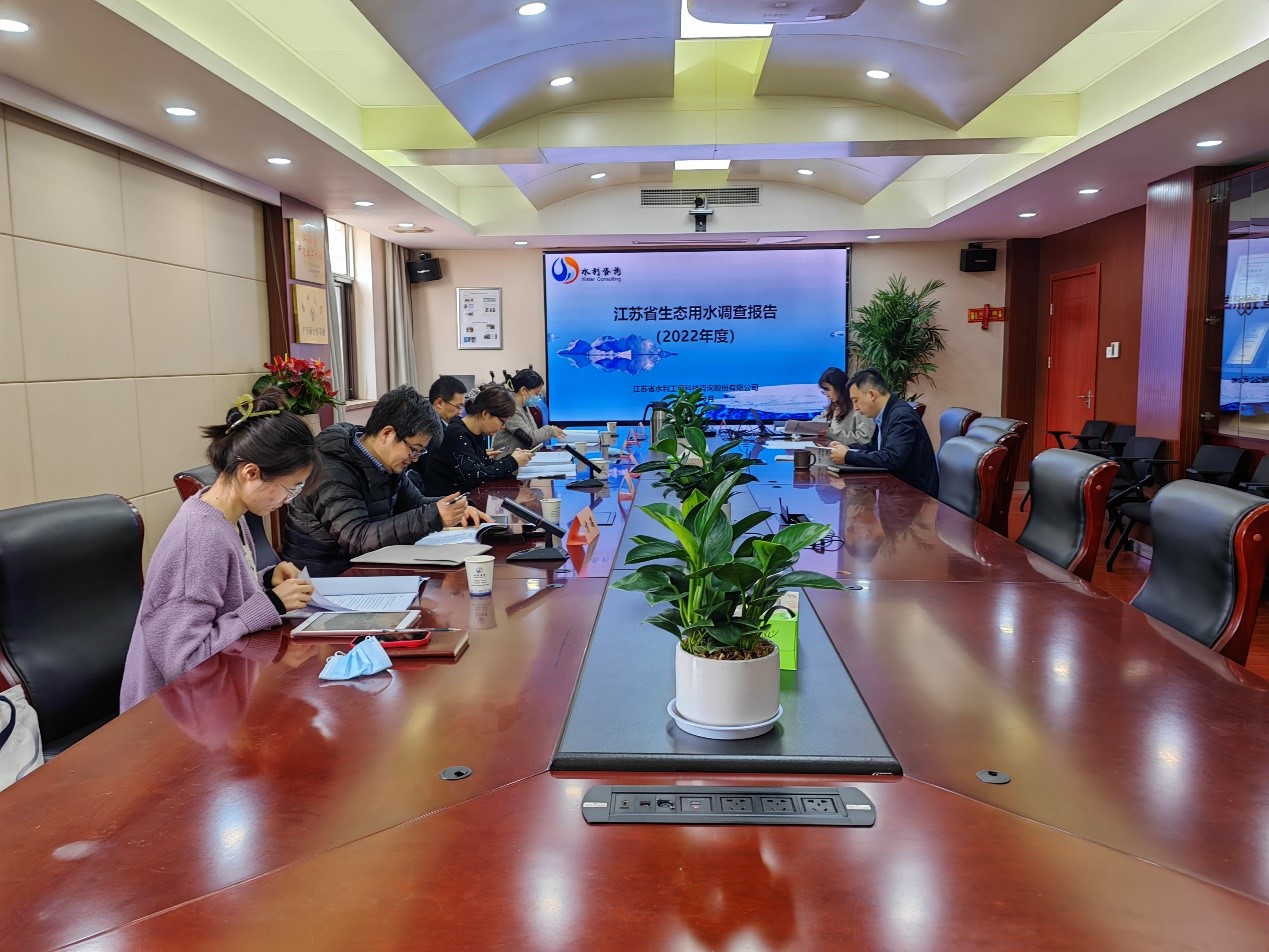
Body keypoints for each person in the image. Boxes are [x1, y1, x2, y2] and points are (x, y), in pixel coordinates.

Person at [120, 389, 317, 712]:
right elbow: (185, 661)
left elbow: (219, 596)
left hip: (213, 697)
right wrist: (269, 604)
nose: (286, 500)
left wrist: (266, 580)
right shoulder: (200, 537)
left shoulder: (227, 515)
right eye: (288, 488)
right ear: (250, 473)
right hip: (167, 716)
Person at [284, 385, 489, 576]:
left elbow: (416, 504)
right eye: (414, 450)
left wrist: (454, 508)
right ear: (387, 434)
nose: (415, 459)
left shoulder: (385, 462)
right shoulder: (332, 469)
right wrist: (435, 515)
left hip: (369, 570)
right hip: (327, 578)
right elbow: (357, 539)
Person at [831, 367, 939, 497]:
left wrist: (848, 456)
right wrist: (847, 448)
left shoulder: (901, 416)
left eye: (856, 400)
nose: (856, 408)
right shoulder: (886, 413)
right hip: (896, 490)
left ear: (871, 395)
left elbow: (892, 459)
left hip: (914, 495)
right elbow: (874, 448)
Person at [423, 385, 536, 494]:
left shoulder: (475, 433)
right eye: (502, 422)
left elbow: (481, 468)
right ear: (485, 414)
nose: (503, 427)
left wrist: (511, 459)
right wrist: (512, 461)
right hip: (447, 501)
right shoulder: (458, 434)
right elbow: (476, 477)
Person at [492, 368, 564, 455]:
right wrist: (550, 430)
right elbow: (529, 438)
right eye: (536, 393)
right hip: (507, 459)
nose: (538, 397)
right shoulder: (511, 409)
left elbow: (532, 433)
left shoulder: (523, 406)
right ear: (523, 390)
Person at [816, 367, 874, 446]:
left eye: (828, 390)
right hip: (832, 451)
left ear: (838, 387)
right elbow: (818, 420)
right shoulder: (834, 407)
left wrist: (831, 433)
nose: (827, 395)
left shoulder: (859, 408)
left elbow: (865, 438)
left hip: (851, 453)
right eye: (824, 391)